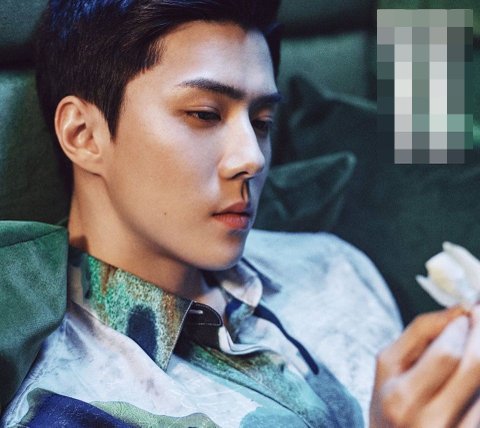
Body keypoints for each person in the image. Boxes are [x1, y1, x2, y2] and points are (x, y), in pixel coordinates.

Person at [1, 0, 480, 427]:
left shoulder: (336, 266)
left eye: (262, 122)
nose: (252, 158)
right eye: (204, 114)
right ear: (83, 134)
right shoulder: (70, 404)